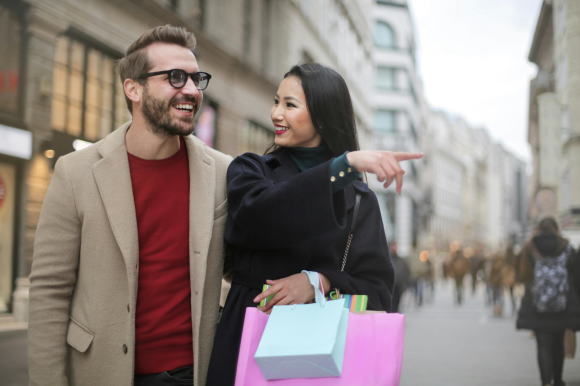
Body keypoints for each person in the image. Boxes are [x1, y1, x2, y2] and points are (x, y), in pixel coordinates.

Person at [28, 25, 232, 386]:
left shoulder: (222, 172)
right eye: (174, 77)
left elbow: (247, 264)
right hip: (100, 370)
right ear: (133, 89)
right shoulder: (76, 172)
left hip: (194, 372)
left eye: (195, 78)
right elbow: (50, 290)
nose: (190, 90)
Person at [206, 63, 423, 385]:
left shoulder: (360, 199)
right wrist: (342, 167)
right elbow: (258, 219)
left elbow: (378, 293)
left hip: (325, 359)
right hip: (248, 338)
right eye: (276, 101)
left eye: (290, 105)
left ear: (323, 115)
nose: (276, 113)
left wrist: (319, 282)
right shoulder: (251, 170)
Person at [516, 217, 580, 386]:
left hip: (538, 304)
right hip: (562, 304)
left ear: (539, 229)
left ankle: (545, 382)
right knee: (558, 343)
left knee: (543, 345)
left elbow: (521, 275)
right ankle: (558, 380)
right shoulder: (566, 247)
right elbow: (576, 277)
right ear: (556, 229)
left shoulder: (530, 248)